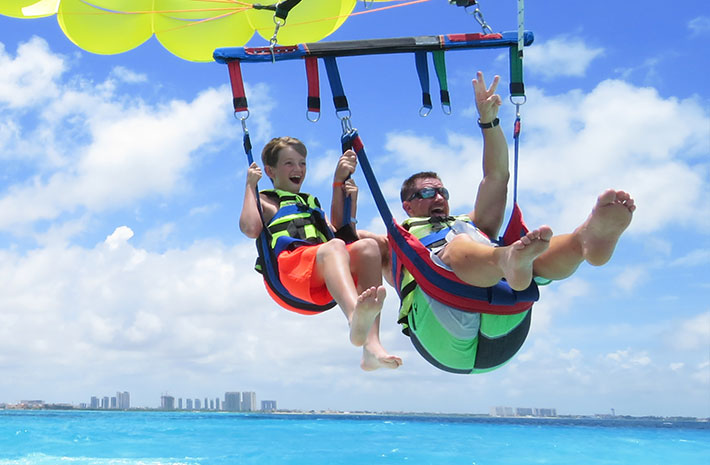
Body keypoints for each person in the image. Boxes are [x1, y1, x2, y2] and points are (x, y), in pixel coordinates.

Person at [391, 71, 636, 373]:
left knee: (522, 255)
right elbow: (345, 244)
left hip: (508, 326)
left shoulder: (473, 222)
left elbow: (496, 177)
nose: (438, 196)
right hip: (443, 336)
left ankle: (583, 240)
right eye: (426, 192)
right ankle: (507, 259)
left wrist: (488, 121)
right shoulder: (393, 242)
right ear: (407, 205)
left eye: (442, 190)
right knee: (461, 246)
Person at [240, 136, 402, 371]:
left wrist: (341, 187)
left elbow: (339, 232)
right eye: (289, 163)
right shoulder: (265, 201)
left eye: (302, 163)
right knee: (334, 248)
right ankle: (353, 315)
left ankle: (372, 348)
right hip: (291, 274)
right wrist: (249, 186)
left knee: (368, 247)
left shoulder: (310, 202)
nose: (298, 169)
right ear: (270, 171)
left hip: (322, 279)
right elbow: (250, 228)